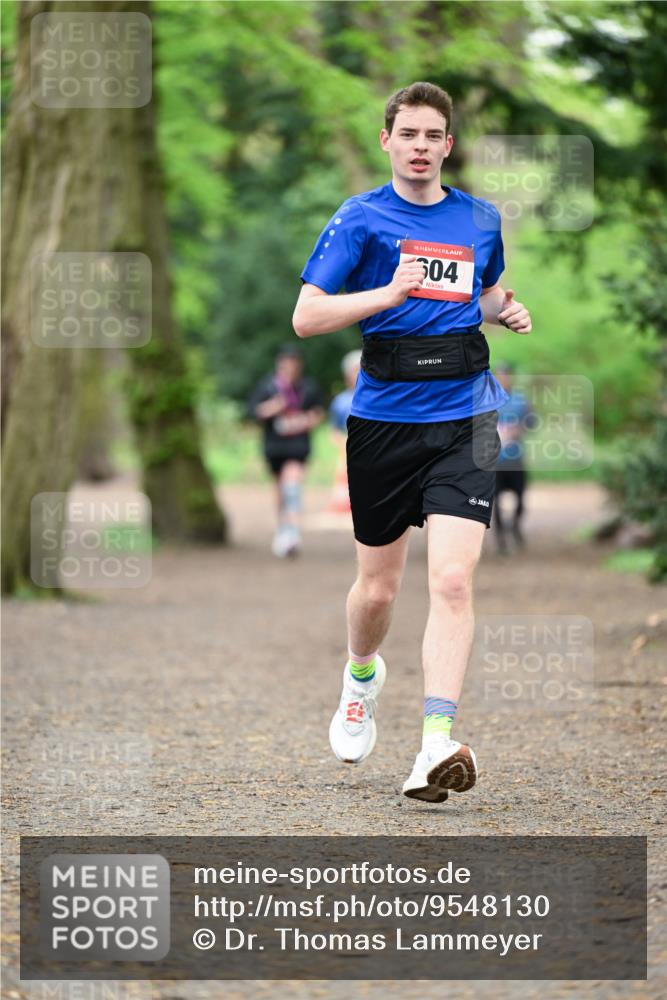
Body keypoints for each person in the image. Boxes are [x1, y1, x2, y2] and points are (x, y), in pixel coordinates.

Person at [293, 82, 532, 802]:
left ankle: (434, 746)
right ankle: (360, 675)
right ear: (387, 142)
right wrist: (385, 295)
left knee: (453, 579)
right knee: (378, 588)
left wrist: (504, 308)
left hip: (465, 416)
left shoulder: (479, 217)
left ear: (447, 144)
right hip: (383, 422)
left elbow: (475, 294)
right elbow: (307, 317)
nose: (421, 146)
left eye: (434, 135)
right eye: (409, 134)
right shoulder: (358, 219)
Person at [246, 345, 324, 557]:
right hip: (274, 445)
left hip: (298, 445)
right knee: (280, 489)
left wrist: (305, 421)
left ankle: (292, 532)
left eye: (294, 363)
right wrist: (275, 407)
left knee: (292, 484)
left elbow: (318, 412)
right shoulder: (268, 387)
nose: (290, 367)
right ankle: (283, 530)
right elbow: (253, 412)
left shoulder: (308, 387)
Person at [493, 363, 538, 555]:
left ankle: (515, 526)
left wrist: (518, 428)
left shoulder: (520, 401)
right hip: (494, 461)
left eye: (505, 375)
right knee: (494, 501)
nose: (503, 379)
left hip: (515, 459)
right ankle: (501, 539)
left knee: (520, 498)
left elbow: (532, 421)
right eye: (499, 375)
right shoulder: (485, 401)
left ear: (510, 377)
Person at [327, 349, 362, 513]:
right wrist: (343, 444)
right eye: (354, 369)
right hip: (348, 448)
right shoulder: (340, 401)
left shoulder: (379, 398)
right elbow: (334, 430)